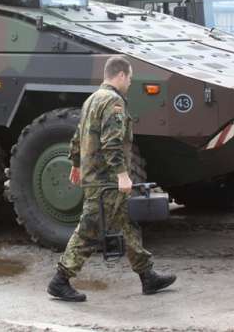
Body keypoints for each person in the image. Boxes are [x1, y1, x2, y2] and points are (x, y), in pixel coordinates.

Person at [47, 56, 176, 302]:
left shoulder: (92, 99)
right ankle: (60, 280)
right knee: (89, 229)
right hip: (105, 180)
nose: (130, 83)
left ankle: (147, 276)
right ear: (121, 76)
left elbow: (78, 135)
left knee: (127, 225)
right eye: (130, 79)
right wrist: (123, 176)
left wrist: (75, 163)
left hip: (96, 175)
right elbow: (112, 142)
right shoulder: (114, 102)